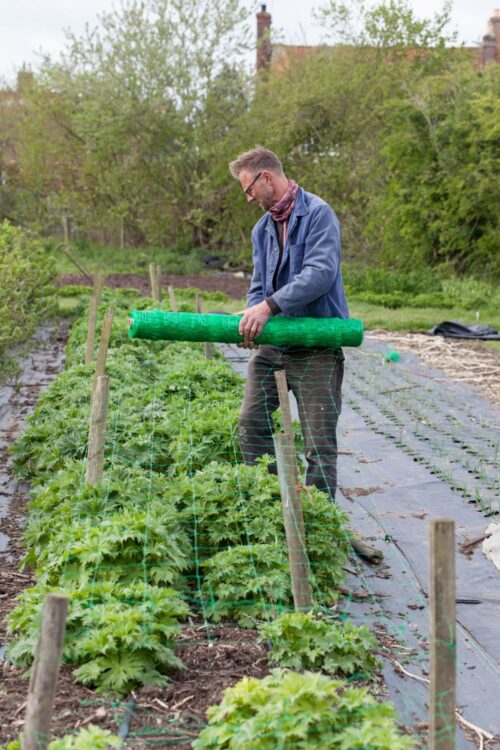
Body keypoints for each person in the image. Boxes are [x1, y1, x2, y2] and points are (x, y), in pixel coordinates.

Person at [228, 146, 349, 500]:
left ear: (267, 178)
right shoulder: (262, 230)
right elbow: (257, 287)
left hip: (315, 346)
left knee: (318, 444)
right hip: (274, 345)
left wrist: (269, 306)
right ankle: (274, 503)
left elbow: (320, 275)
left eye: (249, 189)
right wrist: (254, 316)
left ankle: (317, 520)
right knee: (251, 426)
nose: (249, 199)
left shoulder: (318, 214)